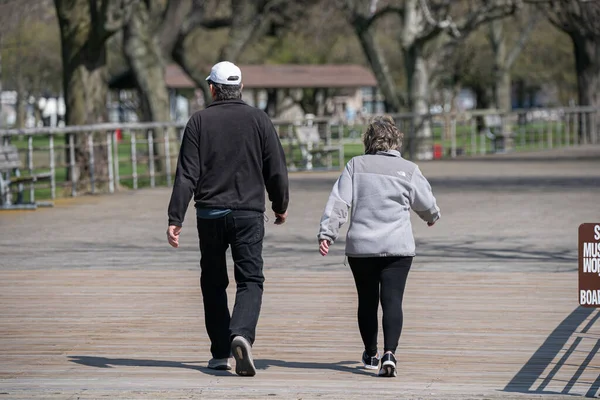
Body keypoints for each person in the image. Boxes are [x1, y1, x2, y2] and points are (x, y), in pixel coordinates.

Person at [166, 61, 289, 377]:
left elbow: (186, 174)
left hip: (209, 214)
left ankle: (220, 352)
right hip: (248, 213)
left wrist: (175, 217)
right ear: (241, 88)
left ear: (212, 88)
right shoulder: (259, 120)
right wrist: (279, 204)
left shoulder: (198, 122)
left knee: (213, 281)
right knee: (250, 279)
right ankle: (241, 334)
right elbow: (276, 167)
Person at [317, 115, 440, 378]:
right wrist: (431, 217)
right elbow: (426, 202)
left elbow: (339, 202)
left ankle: (371, 354)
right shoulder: (408, 169)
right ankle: (390, 354)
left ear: (369, 141)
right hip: (398, 247)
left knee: (367, 301)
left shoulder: (355, 166)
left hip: (362, 248)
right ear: (396, 140)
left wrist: (327, 234)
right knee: (393, 301)